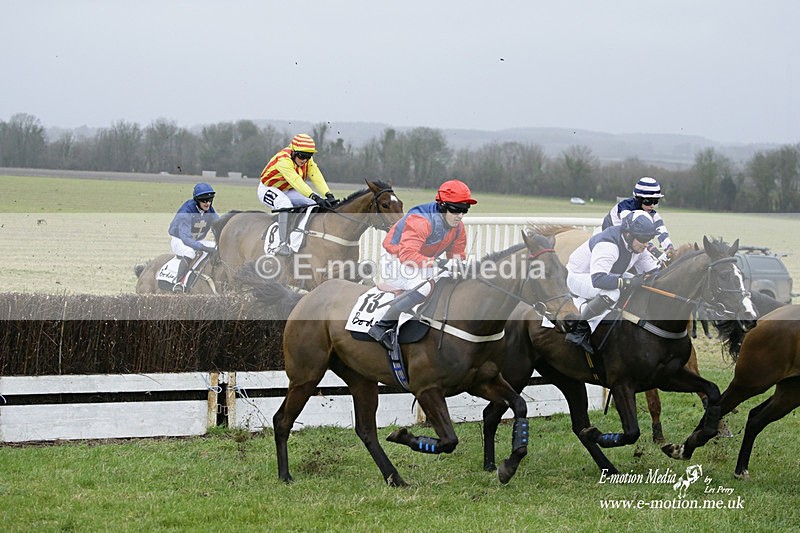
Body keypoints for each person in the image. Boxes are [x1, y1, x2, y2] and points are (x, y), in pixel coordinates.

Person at [367, 179, 477, 350]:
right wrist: (439, 263)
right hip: (395, 258)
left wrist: (460, 268)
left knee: (454, 280)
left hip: (421, 259)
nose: (460, 215)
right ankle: (382, 325)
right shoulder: (421, 220)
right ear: (442, 206)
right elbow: (408, 255)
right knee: (423, 287)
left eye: (465, 210)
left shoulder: (458, 228)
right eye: (456, 210)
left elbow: (457, 257)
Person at [564, 211, 660, 353]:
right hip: (580, 276)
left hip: (606, 275)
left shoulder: (637, 245)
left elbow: (654, 274)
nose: (646, 244)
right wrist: (629, 282)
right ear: (628, 234)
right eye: (643, 239)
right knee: (613, 293)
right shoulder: (608, 246)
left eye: (649, 239)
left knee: (641, 283)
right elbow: (599, 280)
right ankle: (578, 331)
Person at [257, 133, 336, 256]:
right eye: (302, 156)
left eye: (308, 156)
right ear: (293, 152)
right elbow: (296, 181)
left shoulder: (306, 160)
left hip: (288, 189)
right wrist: (314, 196)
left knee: (313, 204)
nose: (304, 160)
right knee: (285, 204)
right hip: (268, 188)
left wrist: (328, 194)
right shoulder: (283, 160)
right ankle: (282, 244)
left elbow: (315, 175)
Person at [602, 176, 674, 261]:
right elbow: (640, 236)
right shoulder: (625, 209)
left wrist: (670, 249)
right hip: (611, 241)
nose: (652, 205)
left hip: (630, 242)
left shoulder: (651, 212)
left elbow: (662, 232)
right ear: (638, 199)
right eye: (649, 201)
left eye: (655, 201)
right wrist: (656, 253)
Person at [167, 182, 219, 292]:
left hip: (197, 240)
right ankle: (179, 283)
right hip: (179, 240)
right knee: (190, 253)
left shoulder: (210, 210)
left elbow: (218, 224)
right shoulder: (186, 211)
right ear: (197, 200)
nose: (207, 203)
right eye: (204, 200)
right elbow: (186, 239)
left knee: (217, 247)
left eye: (209, 200)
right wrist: (202, 247)